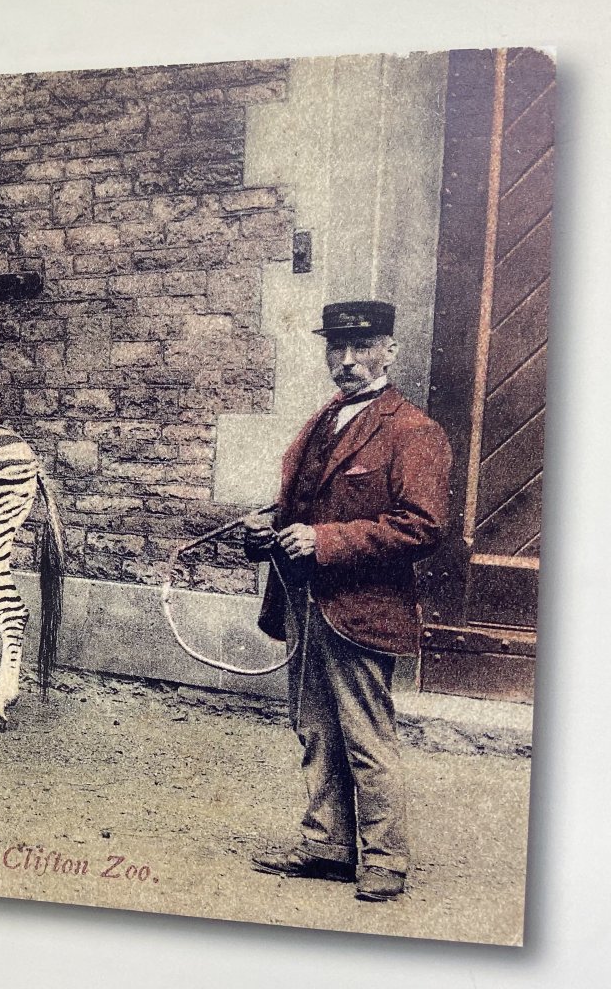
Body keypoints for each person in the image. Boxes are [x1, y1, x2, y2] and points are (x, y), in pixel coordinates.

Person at [244, 300, 451, 902]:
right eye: (338, 348)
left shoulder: (414, 430)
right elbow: (300, 506)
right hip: (305, 599)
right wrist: (268, 526)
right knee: (314, 726)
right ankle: (326, 845)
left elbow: (422, 526)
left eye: (363, 348)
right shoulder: (321, 422)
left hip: (363, 608)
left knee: (366, 734)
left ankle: (385, 860)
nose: (349, 361)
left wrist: (323, 539)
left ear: (390, 349)